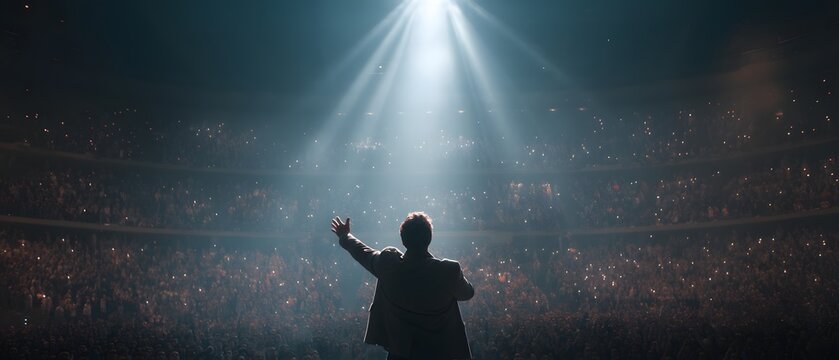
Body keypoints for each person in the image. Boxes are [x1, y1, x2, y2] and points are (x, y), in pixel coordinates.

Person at [331, 212, 474, 359]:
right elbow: (467, 293)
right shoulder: (448, 271)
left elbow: (363, 253)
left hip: (401, 354)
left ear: (403, 239)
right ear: (429, 238)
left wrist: (345, 236)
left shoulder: (389, 264)